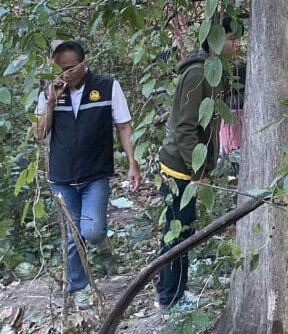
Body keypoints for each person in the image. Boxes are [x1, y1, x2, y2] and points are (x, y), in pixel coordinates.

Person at [34, 40, 140, 309]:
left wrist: (132, 163)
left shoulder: (106, 86)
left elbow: (124, 126)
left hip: (95, 174)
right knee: (72, 235)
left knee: (91, 231)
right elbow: (39, 133)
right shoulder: (49, 92)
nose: (65, 74)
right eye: (60, 70)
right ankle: (78, 288)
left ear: (84, 64)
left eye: (70, 68)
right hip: (62, 176)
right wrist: (50, 102)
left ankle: (101, 243)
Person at [156, 16, 242, 318]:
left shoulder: (214, 70)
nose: (237, 44)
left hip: (187, 168)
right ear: (215, 39)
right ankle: (169, 299)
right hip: (180, 170)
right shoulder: (197, 74)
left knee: (182, 231)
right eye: (231, 38)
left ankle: (173, 292)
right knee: (177, 235)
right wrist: (199, 174)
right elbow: (184, 129)